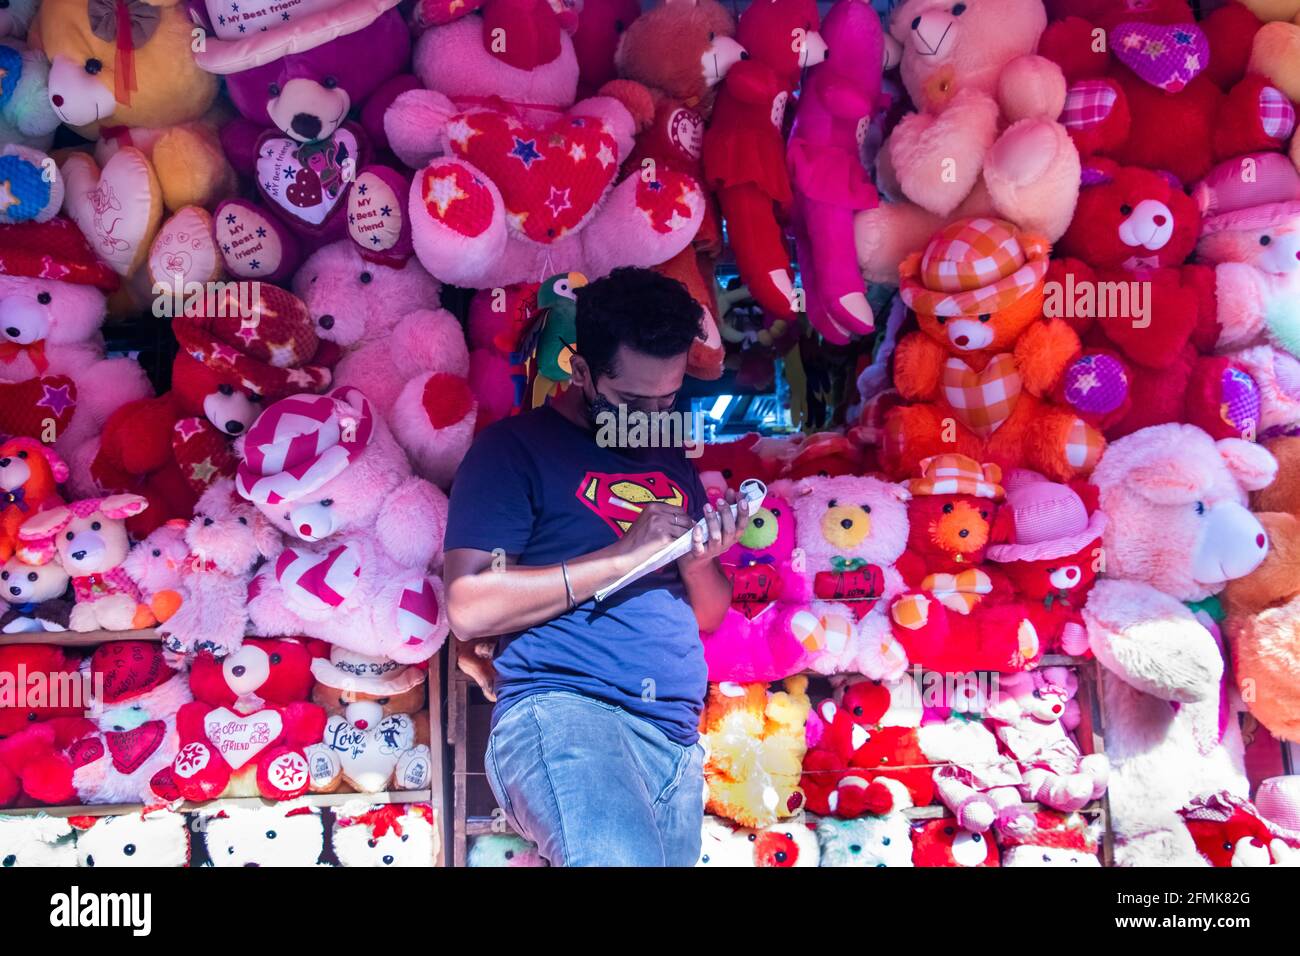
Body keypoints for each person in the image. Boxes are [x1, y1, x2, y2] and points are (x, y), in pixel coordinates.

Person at [443, 268, 749, 867]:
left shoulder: (669, 457)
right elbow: (467, 605)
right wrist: (621, 556)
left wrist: (698, 560)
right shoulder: (513, 452)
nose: (653, 415)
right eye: (634, 401)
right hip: (567, 714)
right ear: (580, 372)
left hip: (674, 737)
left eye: (669, 398)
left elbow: (709, 615)